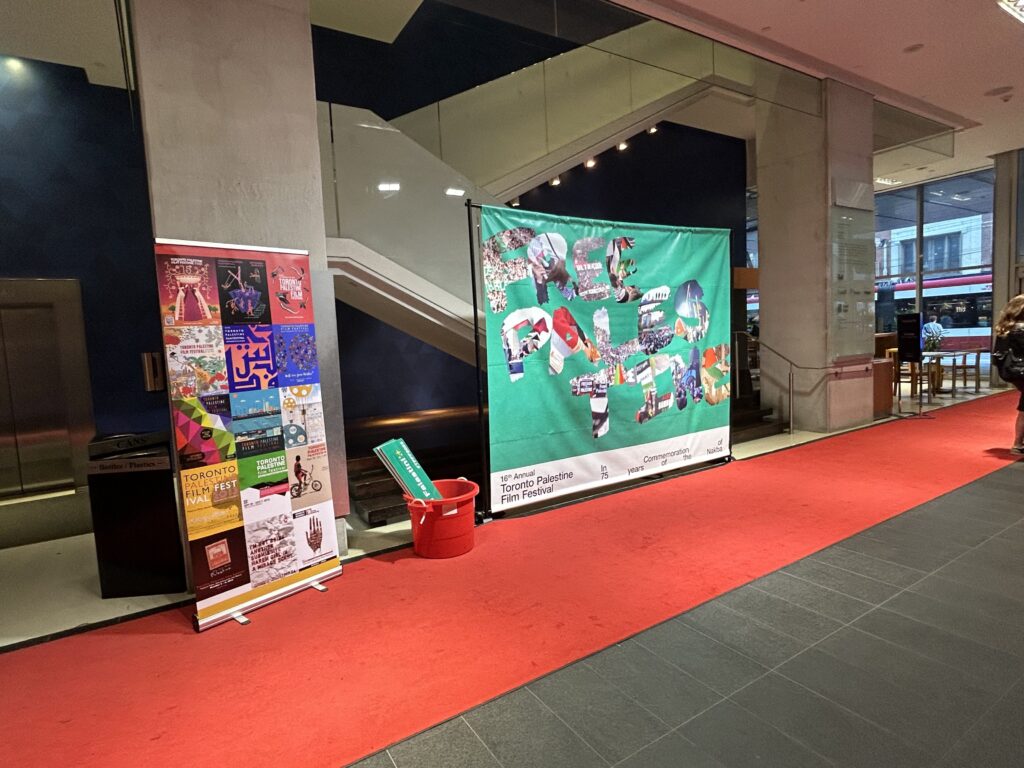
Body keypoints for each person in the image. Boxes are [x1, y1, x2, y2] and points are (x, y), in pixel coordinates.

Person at [992, 295, 1024, 455]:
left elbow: (997, 357)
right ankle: (1018, 444)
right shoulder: (1022, 329)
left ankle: (1018, 443)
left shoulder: (1004, 329)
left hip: (1013, 373)